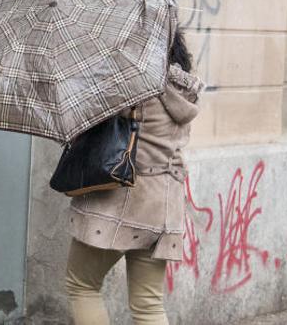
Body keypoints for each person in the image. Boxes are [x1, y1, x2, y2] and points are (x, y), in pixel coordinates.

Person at [64, 28, 203, 325]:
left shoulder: (130, 83)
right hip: (163, 205)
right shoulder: (182, 89)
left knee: (82, 286)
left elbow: (84, 118)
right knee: (148, 306)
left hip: (119, 198)